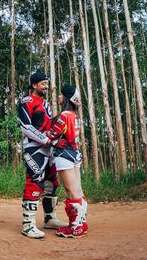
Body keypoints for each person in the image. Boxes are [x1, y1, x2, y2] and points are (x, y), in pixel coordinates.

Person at [18, 71, 69, 239]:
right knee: (35, 183)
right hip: (34, 148)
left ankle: (50, 218)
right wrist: (48, 141)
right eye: (43, 84)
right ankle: (28, 225)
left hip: (48, 149)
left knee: (52, 183)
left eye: (46, 84)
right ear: (34, 86)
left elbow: (48, 125)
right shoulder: (27, 101)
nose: (46, 87)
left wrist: (62, 118)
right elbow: (26, 127)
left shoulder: (45, 103)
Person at [46, 84, 88, 238]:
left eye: (60, 94)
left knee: (71, 191)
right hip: (75, 154)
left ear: (66, 98)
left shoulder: (64, 116)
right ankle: (82, 223)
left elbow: (51, 135)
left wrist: (53, 141)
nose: (58, 97)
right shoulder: (74, 115)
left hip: (64, 156)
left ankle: (75, 228)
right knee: (78, 190)